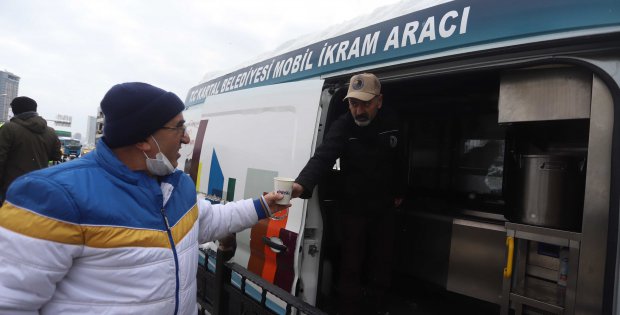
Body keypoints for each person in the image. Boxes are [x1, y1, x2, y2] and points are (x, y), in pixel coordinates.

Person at [0, 82, 288, 315]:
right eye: (178, 128)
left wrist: (264, 205)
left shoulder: (178, 185)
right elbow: (10, 301)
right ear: (142, 139)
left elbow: (209, 221)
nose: (186, 139)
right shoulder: (51, 195)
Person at [292, 73, 406, 315]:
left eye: (366, 103)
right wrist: (301, 185)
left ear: (379, 101)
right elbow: (323, 157)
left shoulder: (393, 121)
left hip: (385, 206)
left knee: (382, 262)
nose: (359, 110)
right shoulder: (343, 125)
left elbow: (401, 160)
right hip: (353, 206)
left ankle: (377, 306)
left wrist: (399, 191)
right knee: (351, 265)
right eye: (354, 103)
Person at [0, 96, 61, 203]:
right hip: (38, 188)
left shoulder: (9, 128)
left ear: (14, 110)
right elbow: (56, 156)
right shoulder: (51, 132)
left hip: (11, 189)